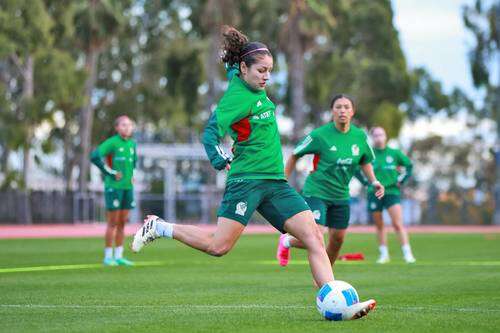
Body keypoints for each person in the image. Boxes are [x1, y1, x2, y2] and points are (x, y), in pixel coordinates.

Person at [130, 26, 375, 319]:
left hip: (276, 183)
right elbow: (210, 133)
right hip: (246, 182)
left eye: (269, 70)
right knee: (218, 247)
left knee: (313, 237)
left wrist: (238, 52)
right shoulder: (236, 98)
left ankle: (337, 303)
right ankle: (160, 227)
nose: (266, 76)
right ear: (244, 69)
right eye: (261, 70)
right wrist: (218, 158)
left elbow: (238, 65)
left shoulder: (247, 78)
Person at [276, 94, 384, 269]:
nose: (342, 110)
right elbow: (295, 154)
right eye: (338, 107)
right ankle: (293, 246)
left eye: (346, 107)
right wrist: (281, 181)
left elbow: (365, 161)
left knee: (338, 239)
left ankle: (326, 273)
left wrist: (374, 181)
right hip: (316, 191)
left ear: (352, 111)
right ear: (332, 111)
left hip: (341, 195)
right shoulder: (320, 135)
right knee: (316, 234)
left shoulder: (360, 137)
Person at [355, 126, 416, 264]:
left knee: (397, 223)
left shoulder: (394, 153)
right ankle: (384, 254)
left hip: (392, 192)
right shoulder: (368, 154)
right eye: (375, 135)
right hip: (374, 192)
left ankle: (407, 254)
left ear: (386, 136)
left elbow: (409, 166)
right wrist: (366, 182)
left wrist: (402, 180)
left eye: (381, 134)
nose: (378, 137)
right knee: (379, 225)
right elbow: (356, 169)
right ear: (372, 138)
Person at [90, 115, 137, 266]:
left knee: (123, 223)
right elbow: (95, 156)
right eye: (123, 125)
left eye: (129, 125)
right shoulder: (112, 143)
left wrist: (132, 175)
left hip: (127, 188)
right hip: (114, 188)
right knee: (112, 223)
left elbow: (133, 163)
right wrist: (110, 172)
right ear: (117, 128)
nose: (127, 127)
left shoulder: (132, 144)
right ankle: (107, 257)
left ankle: (119, 256)